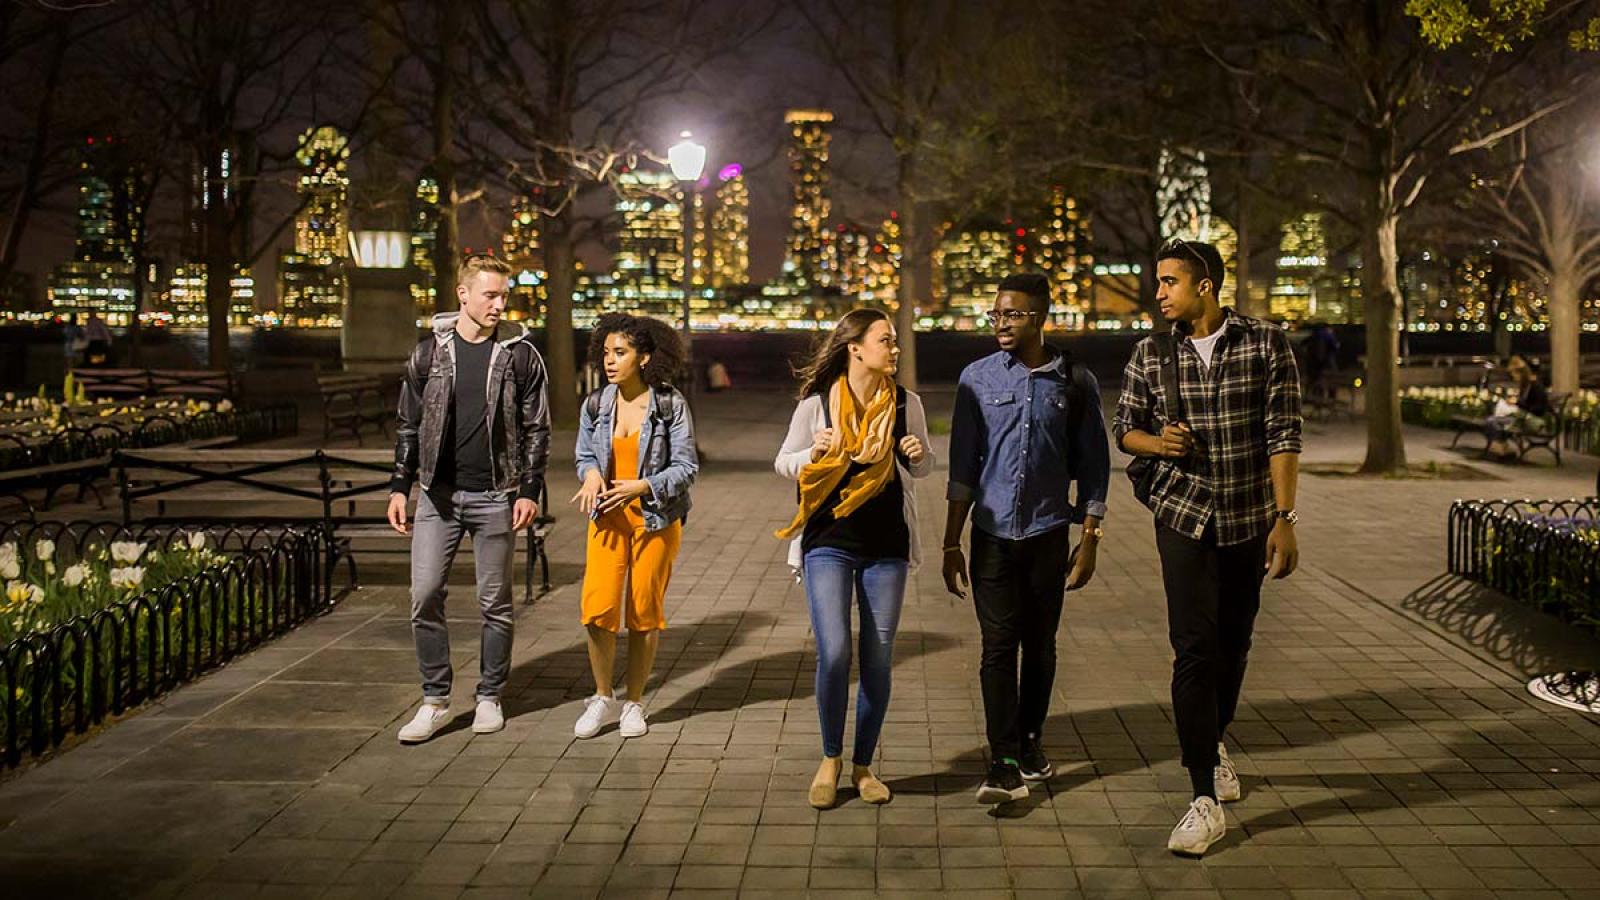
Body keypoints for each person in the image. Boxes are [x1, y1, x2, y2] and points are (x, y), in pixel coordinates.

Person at [1112, 238, 1302, 856]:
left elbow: (1283, 432)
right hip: (1183, 516)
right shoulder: (1150, 353)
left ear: (1206, 285)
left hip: (1249, 517)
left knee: (1234, 643)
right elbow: (1125, 430)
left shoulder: (1266, 344)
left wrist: (1285, 518)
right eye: (1158, 281)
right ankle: (1203, 796)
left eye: (1170, 281)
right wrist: (1157, 444)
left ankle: (1214, 740)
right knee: (1192, 647)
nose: (1159, 292)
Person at [942, 272, 1110, 806]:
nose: (1000, 324)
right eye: (995, 315)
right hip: (991, 535)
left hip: (1047, 534)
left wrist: (1090, 539)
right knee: (998, 647)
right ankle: (1003, 758)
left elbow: (1094, 468)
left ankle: (1032, 742)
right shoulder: (976, 378)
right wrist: (951, 542)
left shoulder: (1075, 381)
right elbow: (963, 466)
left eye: (1011, 314)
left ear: (1039, 317)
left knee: (1039, 646)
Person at [388, 253, 551, 744]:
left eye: (504, 295)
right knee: (424, 596)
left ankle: (489, 696)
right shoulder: (428, 354)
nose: (500, 304)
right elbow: (409, 425)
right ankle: (435, 701)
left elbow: (536, 428)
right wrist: (400, 486)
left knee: (494, 604)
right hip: (437, 497)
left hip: (496, 495)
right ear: (463, 294)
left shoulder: (520, 354)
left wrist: (529, 490)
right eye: (491, 295)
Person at [775, 308, 934, 809]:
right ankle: (830, 757)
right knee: (836, 650)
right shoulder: (817, 406)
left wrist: (916, 453)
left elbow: (925, 465)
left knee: (878, 656)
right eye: (885, 340)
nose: (894, 348)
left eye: (895, 341)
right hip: (828, 541)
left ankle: (864, 766)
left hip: (887, 545)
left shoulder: (907, 404)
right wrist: (813, 453)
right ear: (856, 348)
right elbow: (784, 461)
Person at [571, 313, 698, 740]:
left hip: (655, 520)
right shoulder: (595, 403)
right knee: (598, 609)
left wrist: (643, 485)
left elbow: (686, 467)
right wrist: (590, 474)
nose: (609, 361)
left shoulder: (668, 405)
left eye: (620, 352)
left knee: (644, 612)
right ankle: (602, 696)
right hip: (606, 517)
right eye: (605, 352)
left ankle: (634, 703)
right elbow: (585, 455)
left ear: (644, 357)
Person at [1485, 354, 1551, 460]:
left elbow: (1538, 409)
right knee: (1492, 420)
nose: (1514, 377)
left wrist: (1517, 403)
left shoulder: (1535, 387)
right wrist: (1515, 403)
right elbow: (1523, 403)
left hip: (1530, 420)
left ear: (1521, 373)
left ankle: (1501, 448)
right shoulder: (1526, 385)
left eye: (1514, 374)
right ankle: (1502, 448)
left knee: (1492, 421)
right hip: (1521, 418)